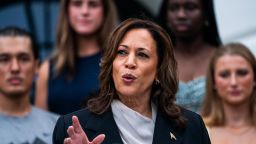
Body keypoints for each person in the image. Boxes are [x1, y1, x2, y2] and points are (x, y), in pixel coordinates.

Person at [52, 18, 210, 144]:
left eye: (142, 55)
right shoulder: (70, 128)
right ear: (111, 64)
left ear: (158, 72)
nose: (130, 62)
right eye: (121, 52)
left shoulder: (191, 127)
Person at [35, 0, 118, 115]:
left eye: (93, 4)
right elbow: (40, 127)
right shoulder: (48, 68)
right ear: (67, 10)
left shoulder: (117, 63)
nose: (85, 11)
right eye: (77, 4)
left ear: (105, 11)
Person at [157, 0, 222, 112]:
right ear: (165, 15)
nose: (181, 15)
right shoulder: (157, 59)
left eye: (190, 8)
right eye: (174, 8)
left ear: (206, 13)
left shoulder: (222, 57)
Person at [0, 26, 59, 144]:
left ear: (37, 67)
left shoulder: (59, 127)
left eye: (24, 59)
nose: (15, 68)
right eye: (4, 59)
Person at [201, 43, 256, 144]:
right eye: (224, 74)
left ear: (254, 77)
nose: (233, 82)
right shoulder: (197, 130)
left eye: (242, 73)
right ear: (213, 81)